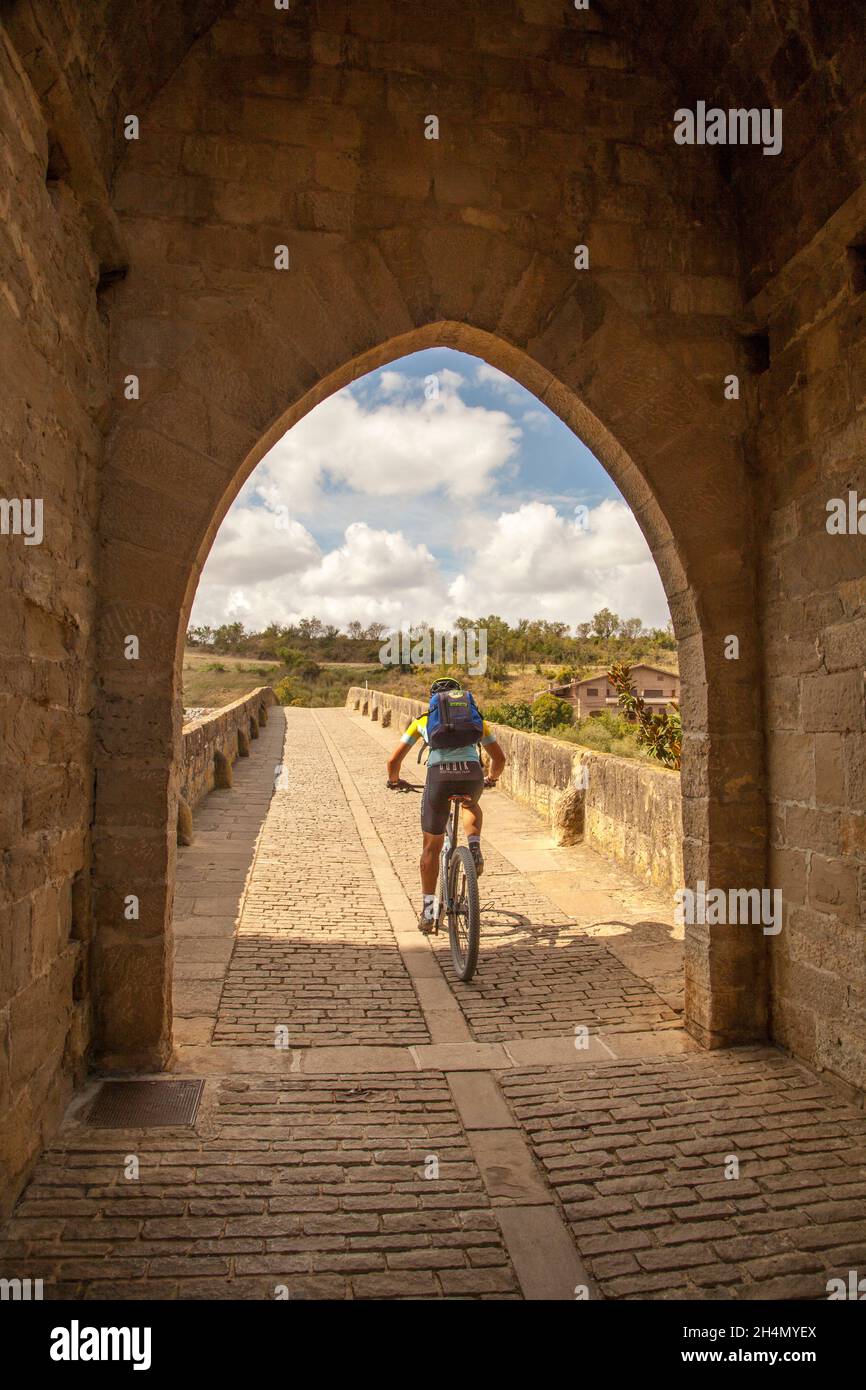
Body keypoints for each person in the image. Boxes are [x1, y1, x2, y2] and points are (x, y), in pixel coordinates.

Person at [385, 677, 506, 932]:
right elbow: (499, 759)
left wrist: (394, 781)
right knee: (470, 805)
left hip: (439, 779)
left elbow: (393, 761)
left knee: (431, 846)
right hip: (471, 774)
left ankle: (429, 913)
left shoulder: (422, 721)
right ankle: (474, 848)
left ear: (433, 700)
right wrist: (491, 778)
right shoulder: (477, 721)